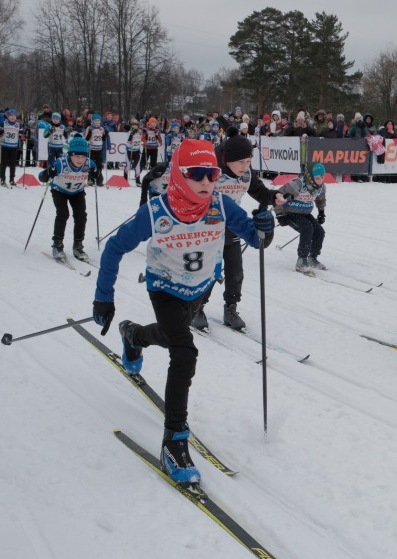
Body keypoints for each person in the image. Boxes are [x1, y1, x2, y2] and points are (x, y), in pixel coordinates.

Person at [91, 139, 275, 485]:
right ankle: (174, 440)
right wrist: (103, 298)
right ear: (178, 174)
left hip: (200, 288)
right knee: (185, 352)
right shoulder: (157, 211)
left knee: (170, 336)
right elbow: (114, 247)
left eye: (212, 174)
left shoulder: (220, 204)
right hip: (164, 289)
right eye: (197, 174)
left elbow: (256, 239)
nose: (207, 182)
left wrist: (265, 225)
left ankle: (134, 336)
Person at [191, 133, 287, 331]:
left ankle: (231, 308)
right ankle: (197, 308)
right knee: (209, 271)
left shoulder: (246, 173)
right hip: (207, 229)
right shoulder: (211, 172)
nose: (245, 166)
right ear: (227, 160)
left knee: (236, 273)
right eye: (241, 162)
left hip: (232, 226)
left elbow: (259, 191)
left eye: (249, 161)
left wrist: (273, 196)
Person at [38, 136, 97, 262]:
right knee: (63, 214)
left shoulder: (88, 163)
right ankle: (57, 245)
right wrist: (48, 173)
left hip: (77, 192)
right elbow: (41, 177)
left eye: (83, 156)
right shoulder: (61, 163)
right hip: (59, 191)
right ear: (70, 154)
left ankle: (78, 246)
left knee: (81, 216)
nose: (80, 160)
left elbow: (100, 180)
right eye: (76, 156)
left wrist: (97, 174)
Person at [274, 163, 328, 273]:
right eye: (317, 178)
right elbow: (278, 196)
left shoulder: (321, 187)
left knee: (319, 232)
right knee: (307, 228)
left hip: (305, 213)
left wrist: (321, 212)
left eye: (322, 177)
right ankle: (301, 261)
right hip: (290, 213)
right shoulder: (297, 184)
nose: (320, 181)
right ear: (310, 178)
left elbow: (320, 199)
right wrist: (279, 215)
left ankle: (312, 258)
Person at [0, 109, 22, 187]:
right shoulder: (4, 123)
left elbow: (21, 133)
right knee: (3, 163)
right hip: (5, 146)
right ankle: (2, 179)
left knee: (12, 164)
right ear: (7, 116)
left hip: (14, 147)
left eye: (14, 116)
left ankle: (12, 179)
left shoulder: (18, 125)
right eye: (11, 116)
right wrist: (0, 132)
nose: (12, 117)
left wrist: (23, 134)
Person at [85, 114, 109, 186]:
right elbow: (86, 138)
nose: (97, 122)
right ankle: (90, 179)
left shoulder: (101, 128)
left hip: (99, 149)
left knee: (99, 165)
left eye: (98, 120)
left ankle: (99, 180)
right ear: (92, 121)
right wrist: (89, 132)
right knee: (91, 164)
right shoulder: (89, 127)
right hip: (92, 148)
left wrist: (105, 134)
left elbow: (104, 139)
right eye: (96, 120)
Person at [123, 118, 143, 186]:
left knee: (137, 166)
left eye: (136, 125)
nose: (135, 127)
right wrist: (131, 135)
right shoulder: (129, 132)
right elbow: (128, 143)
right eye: (133, 125)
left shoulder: (139, 132)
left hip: (137, 151)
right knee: (128, 166)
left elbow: (143, 138)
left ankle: (138, 181)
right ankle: (124, 180)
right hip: (129, 151)